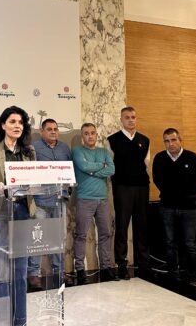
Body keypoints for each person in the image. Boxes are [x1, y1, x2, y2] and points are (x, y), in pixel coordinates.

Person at [0, 106, 35, 326]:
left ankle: (20, 321)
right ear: (3, 125)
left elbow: (35, 180)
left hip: (22, 213)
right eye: (12, 121)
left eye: (20, 122)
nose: (17, 126)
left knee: (20, 273)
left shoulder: (28, 152)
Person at [152, 128, 196, 285]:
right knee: (170, 243)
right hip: (167, 207)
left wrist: (188, 195)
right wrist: (171, 195)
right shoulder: (160, 158)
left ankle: (194, 278)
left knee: (190, 244)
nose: (170, 144)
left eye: (173, 140)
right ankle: (173, 276)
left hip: (188, 208)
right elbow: (157, 180)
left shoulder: (191, 157)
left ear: (180, 140)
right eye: (167, 141)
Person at [27, 118, 72, 290]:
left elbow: (69, 171)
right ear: (42, 131)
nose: (53, 132)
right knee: (37, 238)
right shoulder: (34, 148)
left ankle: (58, 272)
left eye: (55, 129)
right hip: (40, 200)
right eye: (49, 129)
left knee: (58, 238)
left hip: (59, 200)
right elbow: (29, 171)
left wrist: (68, 187)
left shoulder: (64, 148)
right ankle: (33, 274)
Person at [107, 106, 151, 280]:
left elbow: (146, 164)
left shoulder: (145, 140)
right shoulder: (112, 140)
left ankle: (143, 264)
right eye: (127, 117)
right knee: (122, 226)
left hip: (141, 187)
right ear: (121, 120)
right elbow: (110, 165)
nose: (131, 120)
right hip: (122, 187)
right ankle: (122, 265)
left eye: (133, 117)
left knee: (142, 226)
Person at [72, 122, 117, 284]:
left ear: (96, 135)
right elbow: (83, 166)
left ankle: (105, 268)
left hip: (103, 199)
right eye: (86, 133)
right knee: (81, 235)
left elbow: (111, 169)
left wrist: (92, 171)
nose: (90, 136)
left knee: (105, 234)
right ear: (82, 136)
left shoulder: (103, 151)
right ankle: (80, 270)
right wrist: (100, 166)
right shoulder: (77, 151)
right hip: (85, 199)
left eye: (92, 133)